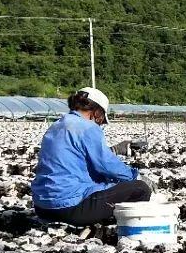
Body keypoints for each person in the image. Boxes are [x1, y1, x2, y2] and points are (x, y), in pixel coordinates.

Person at [31, 88, 153, 226]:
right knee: (140, 189)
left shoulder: (57, 125)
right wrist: (136, 176)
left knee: (108, 183)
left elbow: (77, 158)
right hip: (69, 208)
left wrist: (113, 150)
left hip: (42, 207)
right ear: (97, 112)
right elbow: (106, 165)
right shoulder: (88, 127)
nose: (100, 124)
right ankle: (109, 227)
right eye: (101, 120)